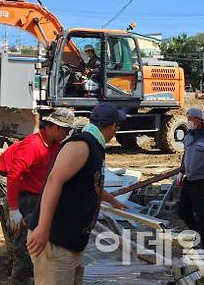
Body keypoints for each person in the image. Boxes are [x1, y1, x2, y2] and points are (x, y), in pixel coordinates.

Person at [26, 103, 128, 285]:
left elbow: (92, 184)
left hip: (72, 240)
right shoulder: (82, 144)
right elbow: (53, 181)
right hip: (56, 240)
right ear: (113, 126)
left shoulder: (95, 146)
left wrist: (113, 201)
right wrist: (42, 228)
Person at [0, 108, 75, 284]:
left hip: (22, 183)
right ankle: (19, 276)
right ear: (55, 127)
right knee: (17, 227)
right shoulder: (33, 146)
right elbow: (13, 176)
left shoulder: (54, 145)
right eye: (66, 129)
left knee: (26, 224)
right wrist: (14, 209)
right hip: (3, 179)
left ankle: (18, 269)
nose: (68, 133)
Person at [176, 107, 204, 248]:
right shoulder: (189, 135)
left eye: (190, 118)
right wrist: (182, 171)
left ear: (198, 119)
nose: (188, 121)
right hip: (190, 180)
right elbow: (186, 155)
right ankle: (198, 234)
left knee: (203, 215)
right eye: (187, 118)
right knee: (183, 211)